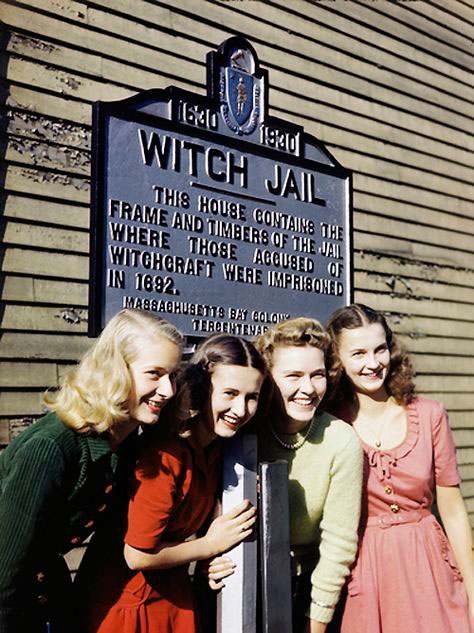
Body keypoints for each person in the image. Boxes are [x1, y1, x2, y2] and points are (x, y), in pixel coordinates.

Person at [0, 308, 183, 633]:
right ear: (115, 371)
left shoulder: (125, 441)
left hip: (48, 590)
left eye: (173, 375)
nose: (168, 390)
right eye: (154, 374)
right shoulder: (51, 448)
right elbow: (5, 571)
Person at [76, 333, 268, 633]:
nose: (241, 410)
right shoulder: (165, 455)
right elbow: (137, 554)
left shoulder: (216, 450)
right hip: (126, 605)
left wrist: (213, 560)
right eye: (229, 393)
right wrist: (208, 546)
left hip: (173, 594)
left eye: (251, 397)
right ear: (203, 389)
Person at [207, 318, 363, 633]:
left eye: (317, 375)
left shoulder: (340, 439)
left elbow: (338, 545)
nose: (308, 389)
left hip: (302, 590)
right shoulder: (241, 426)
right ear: (267, 378)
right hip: (236, 581)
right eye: (294, 376)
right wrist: (211, 554)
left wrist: (315, 621)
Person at [325, 303, 474, 633]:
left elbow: (452, 511)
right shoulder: (329, 424)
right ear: (337, 359)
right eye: (359, 353)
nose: (373, 363)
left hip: (428, 566)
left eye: (380, 349)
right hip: (363, 570)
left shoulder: (430, 414)